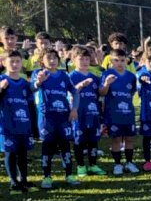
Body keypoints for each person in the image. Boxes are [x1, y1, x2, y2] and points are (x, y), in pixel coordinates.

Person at [31, 48, 81, 188]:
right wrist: (38, 82)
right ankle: (47, 177)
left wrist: (74, 109)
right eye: (48, 58)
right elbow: (32, 89)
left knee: (65, 145)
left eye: (54, 58)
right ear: (42, 60)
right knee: (47, 146)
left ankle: (69, 175)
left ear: (59, 60)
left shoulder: (64, 76)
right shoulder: (38, 73)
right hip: (47, 117)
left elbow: (75, 92)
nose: (52, 61)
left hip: (63, 117)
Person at [0, 50, 36, 192]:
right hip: (8, 126)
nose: (15, 64)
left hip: (24, 125)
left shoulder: (24, 84)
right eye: (11, 61)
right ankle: (13, 183)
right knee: (10, 153)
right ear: (4, 63)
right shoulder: (2, 80)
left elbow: (30, 104)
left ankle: (24, 181)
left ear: (22, 63)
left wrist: (33, 125)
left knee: (23, 154)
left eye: (17, 61)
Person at [100, 48, 139, 176]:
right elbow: (102, 93)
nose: (120, 63)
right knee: (116, 139)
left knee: (129, 139)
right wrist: (106, 84)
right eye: (116, 60)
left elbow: (131, 92)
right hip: (113, 113)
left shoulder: (131, 76)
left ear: (126, 61)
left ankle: (129, 162)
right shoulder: (107, 74)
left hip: (128, 113)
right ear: (111, 61)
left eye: (122, 60)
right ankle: (117, 164)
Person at [69, 46, 106, 177]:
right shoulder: (71, 76)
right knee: (79, 140)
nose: (85, 61)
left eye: (87, 58)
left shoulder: (94, 77)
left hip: (93, 114)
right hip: (79, 115)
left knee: (93, 140)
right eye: (81, 59)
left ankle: (93, 165)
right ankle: (80, 166)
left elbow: (100, 95)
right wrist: (80, 85)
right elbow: (69, 95)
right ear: (73, 60)